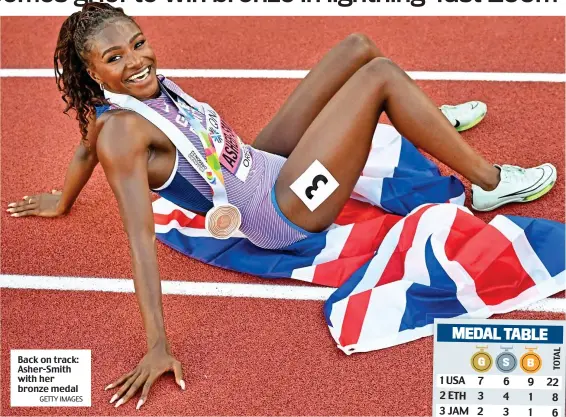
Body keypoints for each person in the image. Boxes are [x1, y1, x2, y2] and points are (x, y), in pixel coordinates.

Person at [6, 3, 557, 409]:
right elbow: (138, 238)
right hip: (281, 210)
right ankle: (487, 181)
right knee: (378, 77)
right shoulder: (121, 134)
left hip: (255, 162)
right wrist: (157, 344)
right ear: (92, 74)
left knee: (357, 47)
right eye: (115, 57)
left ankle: (420, 115)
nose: (137, 60)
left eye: (138, 43)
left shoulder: (120, 100)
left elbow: (82, 147)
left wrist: (63, 198)